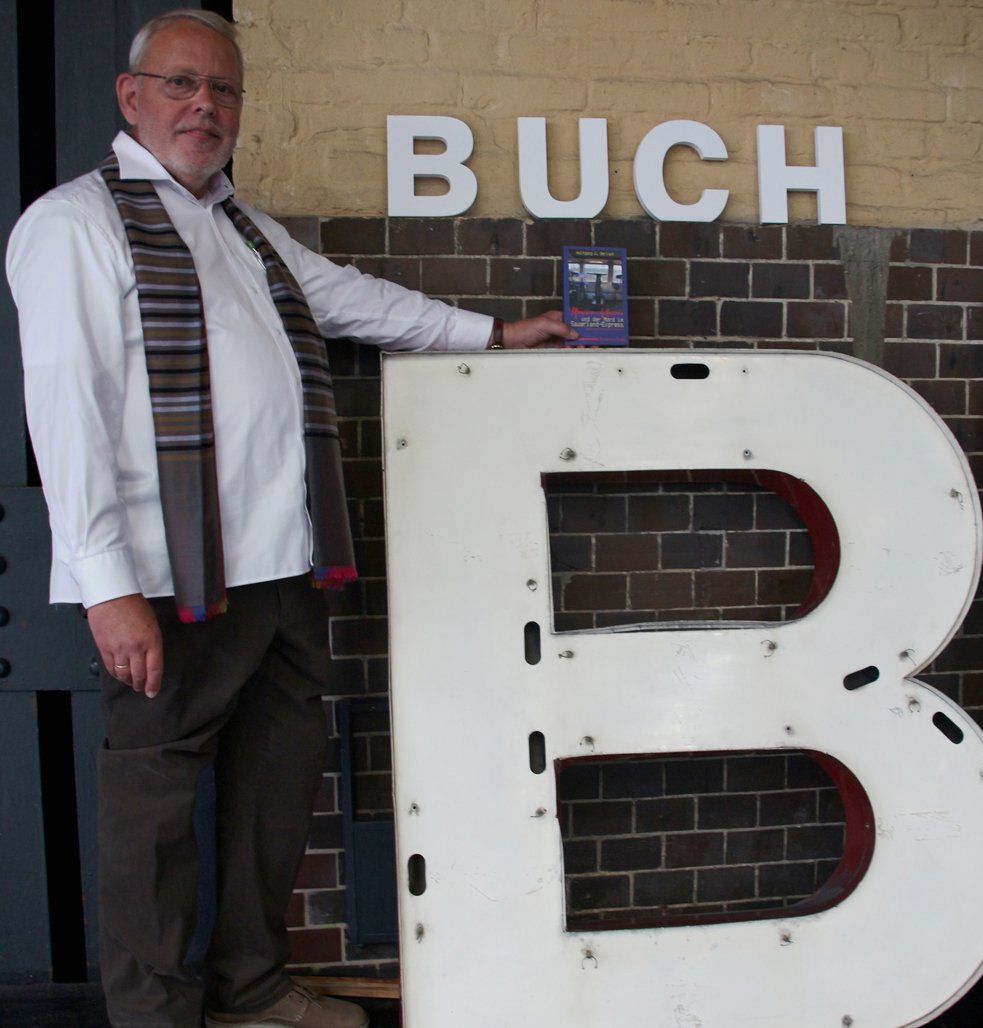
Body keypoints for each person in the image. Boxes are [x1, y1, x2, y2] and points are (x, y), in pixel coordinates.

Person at [6, 9, 576, 1028]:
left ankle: (252, 985)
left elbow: (351, 300)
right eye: (181, 85)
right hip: (168, 578)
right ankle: (153, 1012)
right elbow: (67, 411)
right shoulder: (73, 225)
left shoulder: (241, 228)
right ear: (131, 97)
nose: (204, 105)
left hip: (285, 568)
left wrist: (492, 333)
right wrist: (107, 588)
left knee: (273, 792)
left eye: (222, 90)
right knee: (156, 809)